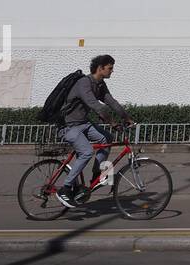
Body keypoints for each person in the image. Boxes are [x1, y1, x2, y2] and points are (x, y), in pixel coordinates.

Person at [56, 54, 133, 208]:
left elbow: (111, 102)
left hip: (83, 123)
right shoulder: (83, 83)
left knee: (106, 138)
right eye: (110, 68)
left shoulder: (100, 85)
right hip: (68, 126)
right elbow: (96, 106)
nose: (112, 71)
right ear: (100, 68)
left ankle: (96, 175)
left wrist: (127, 118)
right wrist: (111, 121)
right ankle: (64, 189)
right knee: (86, 152)